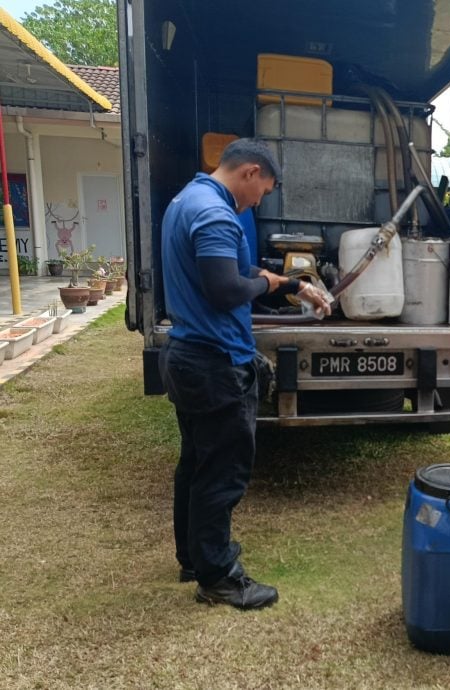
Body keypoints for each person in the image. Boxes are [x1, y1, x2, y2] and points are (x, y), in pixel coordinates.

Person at [158, 138, 331, 610]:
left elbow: (235, 269)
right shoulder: (215, 213)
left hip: (188, 357)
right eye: (263, 192)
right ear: (250, 172)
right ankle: (218, 578)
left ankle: (194, 558)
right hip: (215, 364)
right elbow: (225, 289)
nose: (259, 201)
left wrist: (291, 283)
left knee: (196, 465)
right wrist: (264, 283)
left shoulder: (187, 200)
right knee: (222, 475)